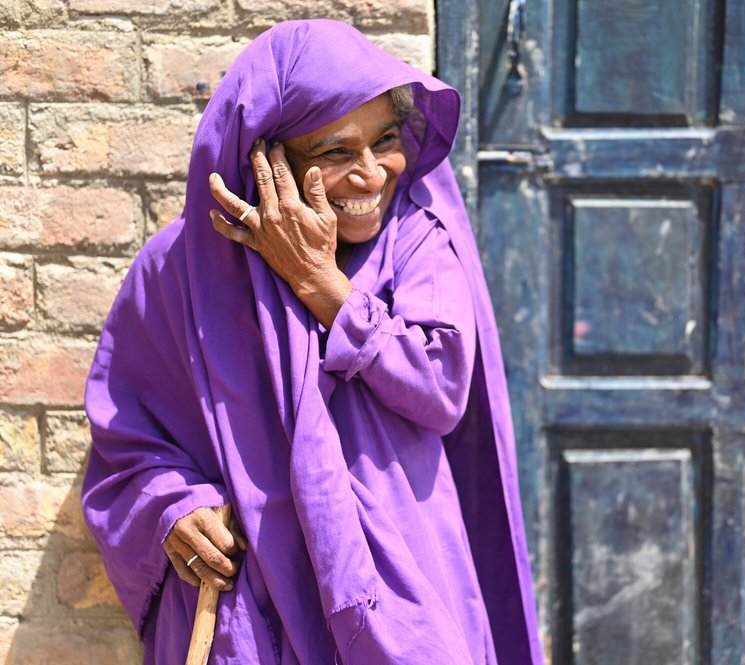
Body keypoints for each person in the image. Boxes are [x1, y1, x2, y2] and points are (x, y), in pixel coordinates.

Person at [81, 19, 543, 665]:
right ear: (264, 161)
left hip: (401, 602)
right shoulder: (175, 275)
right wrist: (173, 510)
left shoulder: (415, 242)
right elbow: (129, 444)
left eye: (385, 140)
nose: (371, 175)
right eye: (333, 152)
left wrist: (321, 284)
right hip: (253, 618)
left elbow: (439, 387)